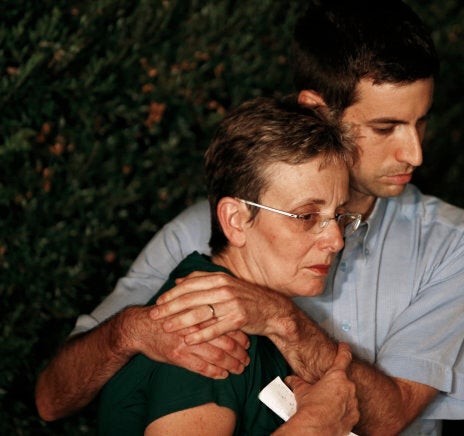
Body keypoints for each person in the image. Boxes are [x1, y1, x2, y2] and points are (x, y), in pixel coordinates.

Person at [36, 1, 464, 435]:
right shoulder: (202, 236)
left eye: (421, 122)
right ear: (318, 110)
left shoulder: (457, 243)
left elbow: (391, 417)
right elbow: (51, 400)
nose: (414, 152)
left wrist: (279, 317)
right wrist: (131, 330)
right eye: (384, 127)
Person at [97, 95, 361, 434]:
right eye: (307, 216)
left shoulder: (251, 317)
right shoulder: (207, 335)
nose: (336, 240)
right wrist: (315, 426)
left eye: (338, 215)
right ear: (236, 220)